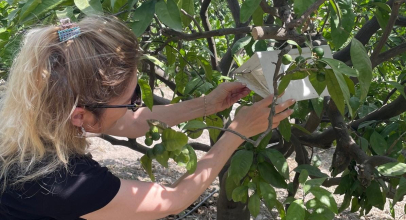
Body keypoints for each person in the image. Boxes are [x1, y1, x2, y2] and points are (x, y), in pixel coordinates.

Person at [0, 16, 295, 220]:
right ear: (81, 116)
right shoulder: (65, 183)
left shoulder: (28, 125)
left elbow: (130, 122)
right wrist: (237, 131)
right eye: (131, 99)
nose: (136, 105)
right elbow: (174, 199)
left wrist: (208, 104)